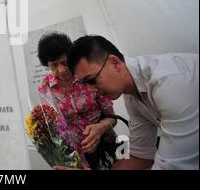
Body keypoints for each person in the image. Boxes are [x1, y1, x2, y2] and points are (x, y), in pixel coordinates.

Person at [67, 35, 199, 170]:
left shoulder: (169, 83)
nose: (91, 91)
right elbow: (140, 155)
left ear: (115, 63)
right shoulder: (132, 94)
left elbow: (171, 166)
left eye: (91, 80)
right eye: (85, 85)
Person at [37, 32, 118, 169]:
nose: (61, 70)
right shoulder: (45, 89)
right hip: (78, 157)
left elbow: (113, 118)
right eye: (54, 65)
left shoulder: (86, 77)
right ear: (47, 65)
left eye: (64, 62)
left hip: (107, 146)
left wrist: (100, 128)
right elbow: (53, 128)